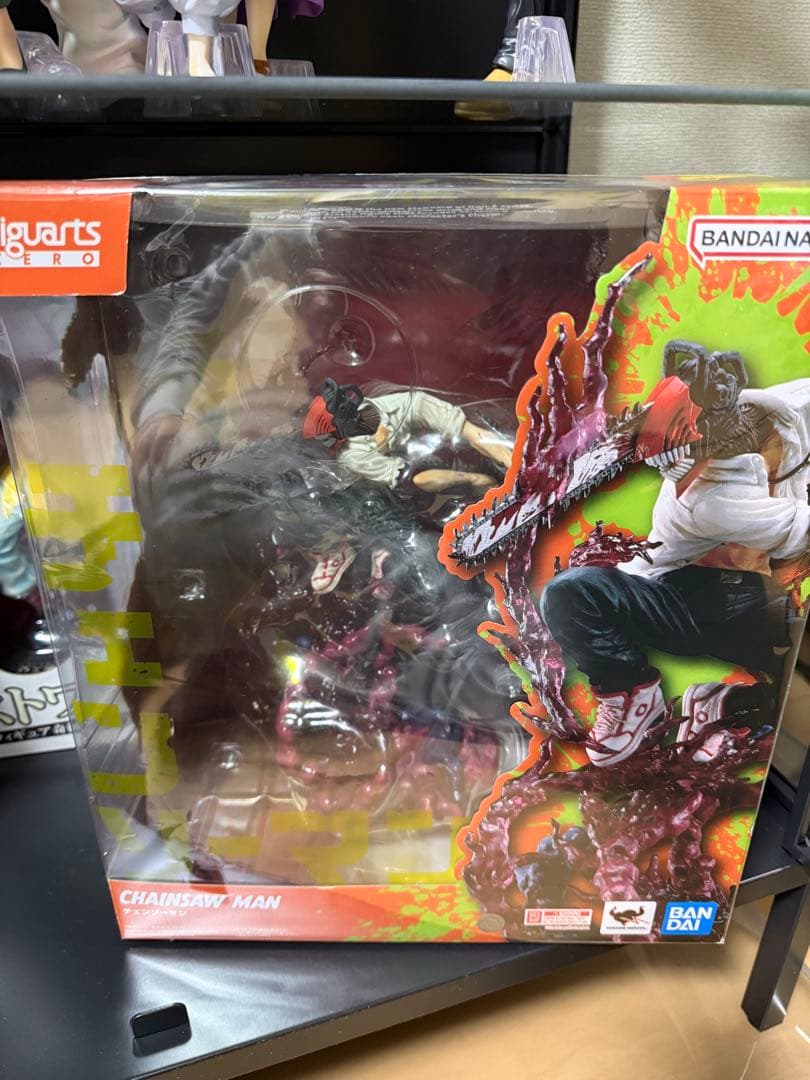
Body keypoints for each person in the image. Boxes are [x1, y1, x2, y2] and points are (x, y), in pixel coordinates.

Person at [540, 343, 810, 767]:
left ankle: (728, 706)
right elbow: (799, 537)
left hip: (764, 598)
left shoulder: (789, 406)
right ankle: (630, 691)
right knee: (570, 592)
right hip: (704, 605)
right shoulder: (709, 501)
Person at [303, 379, 514, 493]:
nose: (348, 408)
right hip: (403, 477)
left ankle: (515, 464)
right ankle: (482, 484)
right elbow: (402, 477)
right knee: (416, 479)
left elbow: (418, 404)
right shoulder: (353, 457)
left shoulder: (374, 406)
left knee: (464, 427)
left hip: (425, 443)